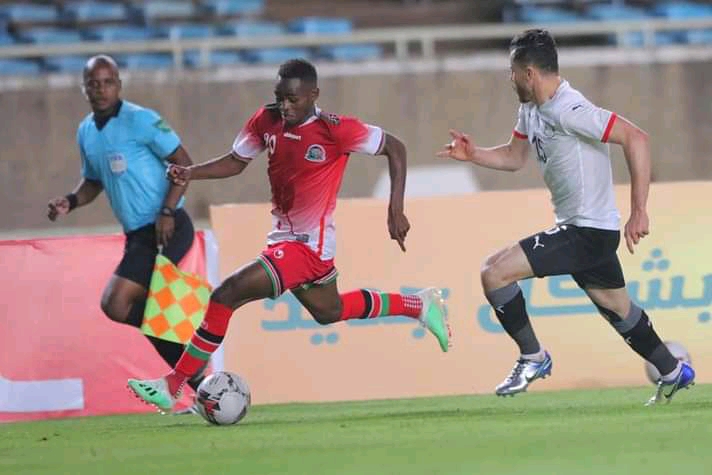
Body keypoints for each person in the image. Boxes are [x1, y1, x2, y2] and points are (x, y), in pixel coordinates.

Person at [127, 58, 451, 412]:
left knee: (225, 294)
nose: (285, 106)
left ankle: (171, 385)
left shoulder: (336, 130)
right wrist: (190, 172)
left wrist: (395, 208)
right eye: (280, 97)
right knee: (331, 311)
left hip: (308, 247)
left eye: (293, 99)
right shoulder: (266, 120)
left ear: (314, 95)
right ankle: (419, 305)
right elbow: (236, 161)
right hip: (283, 238)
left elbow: (396, 147)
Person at [437, 29, 694, 405]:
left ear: (529, 74)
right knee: (617, 307)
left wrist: (639, 211)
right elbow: (513, 157)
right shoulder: (531, 110)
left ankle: (533, 357)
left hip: (587, 230)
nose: (509, 80)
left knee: (494, 272)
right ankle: (673, 371)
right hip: (584, 229)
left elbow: (636, 138)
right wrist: (473, 154)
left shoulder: (571, 110)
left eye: (512, 72)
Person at [47, 55, 208, 396]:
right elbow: (93, 181)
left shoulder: (142, 120)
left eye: (107, 82)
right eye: (93, 83)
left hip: (168, 226)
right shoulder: (86, 131)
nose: (101, 89)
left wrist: (166, 210)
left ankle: (195, 372)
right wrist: (71, 200)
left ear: (119, 84)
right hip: (138, 236)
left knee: (119, 303)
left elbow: (184, 163)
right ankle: (197, 374)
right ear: (84, 88)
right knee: (134, 309)